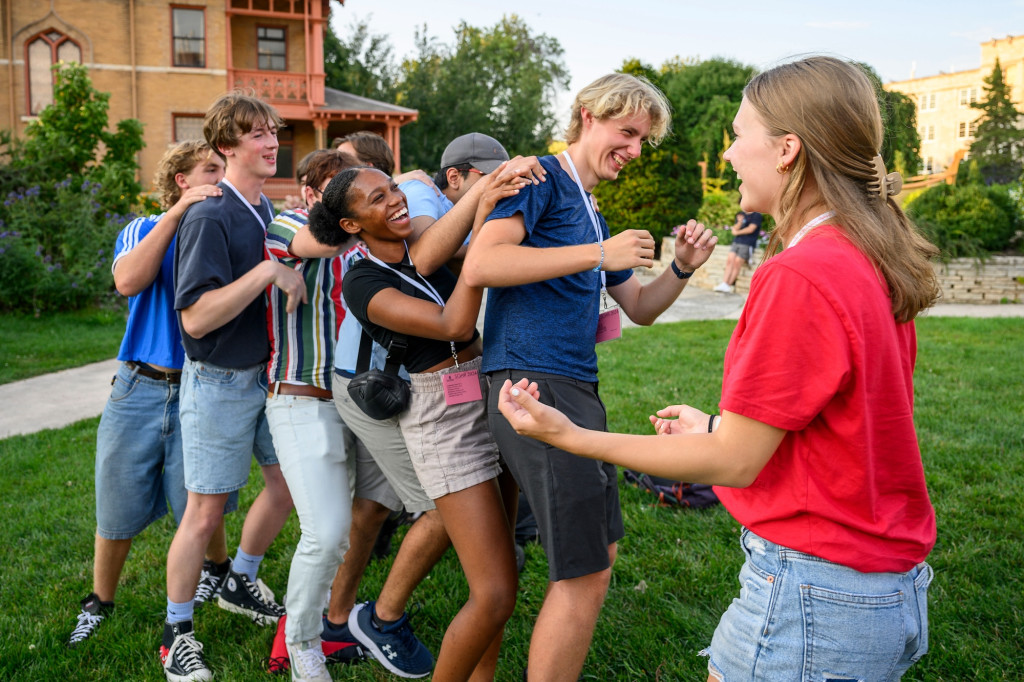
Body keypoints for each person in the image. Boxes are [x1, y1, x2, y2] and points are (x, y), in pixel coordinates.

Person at [496, 56, 939, 682]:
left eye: (738, 135)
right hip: (875, 585)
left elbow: (734, 461)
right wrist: (715, 426)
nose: (728, 155)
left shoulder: (801, 273)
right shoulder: (865, 253)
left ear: (787, 149)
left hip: (811, 595)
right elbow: (844, 420)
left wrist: (567, 435)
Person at [461, 72, 717, 681]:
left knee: (597, 554)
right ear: (587, 116)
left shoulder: (591, 207)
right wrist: (598, 254)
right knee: (583, 569)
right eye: (625, 132)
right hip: (533, 383)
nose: (633, 150)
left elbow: (641, 309)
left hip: (573, 386)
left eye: (642, 140)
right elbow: (484, 262)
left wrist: (680, 269)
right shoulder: (541, 178)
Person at [310, 137, 544, 679]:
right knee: (493, 589)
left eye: (391, 188)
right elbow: (453, 326)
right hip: (439, 416)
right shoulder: (362, 281)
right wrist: (479, 260)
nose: (393, 201)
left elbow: (474, 239)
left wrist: (488, 196)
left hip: (485, 389)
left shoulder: (418, 240)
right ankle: (384, 622)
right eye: (375, 200)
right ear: (350, 225)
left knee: (505, 566)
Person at [162, 93, 306, 682]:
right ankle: (176, 634)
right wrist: (267, 272)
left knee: (286, 484)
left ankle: (239, 580)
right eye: (256, 134)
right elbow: (195, 318)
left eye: (273, 131)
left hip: (267, 376)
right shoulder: (210, 212)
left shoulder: (259, 206)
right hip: (219, 379)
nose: (271, 142)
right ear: (226, 146)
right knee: (205, 511)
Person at [68, 141, 235, 648]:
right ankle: (100, 601)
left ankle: (221, 572)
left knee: (200, 495)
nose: (221, 179)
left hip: (200, 387)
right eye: (211, 170)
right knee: (115, 499)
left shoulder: (219, 232)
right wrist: (180, 213)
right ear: (181, 179)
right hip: (138, 386)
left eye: (224, 171)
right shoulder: (142, 228)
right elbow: (128, 281)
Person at [264, 148, 362, 681]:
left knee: (343, 532)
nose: (353, 201)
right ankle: (301, 642)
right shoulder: (291, 224)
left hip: (358, 404)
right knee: (325, 533)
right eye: (338, 190)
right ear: (309, 192)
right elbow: (318, 241)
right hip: (301, 395)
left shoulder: (365, 244)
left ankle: (330, 621)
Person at [714, 210, 763, 293]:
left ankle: (728, 285)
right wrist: (739, 222)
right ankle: (724, 283)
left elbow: (750, 229)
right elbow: (734, 230)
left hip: (747, 243)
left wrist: (737, 232)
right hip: (736, 242)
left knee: (737, 263)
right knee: (730, 261)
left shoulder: (756, 215)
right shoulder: (740, 214)